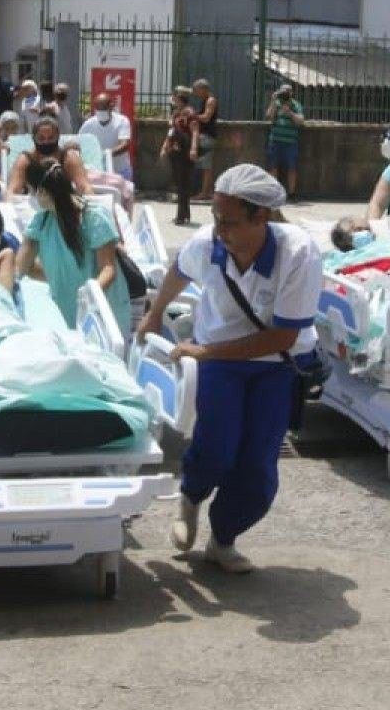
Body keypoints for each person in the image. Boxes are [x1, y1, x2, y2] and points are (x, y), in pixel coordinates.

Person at [134, 165, 323, 572]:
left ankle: (223, 538)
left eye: (229, 221)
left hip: (275, 364)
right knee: (217, 446)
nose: (219, 229)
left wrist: (205, 353)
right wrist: (155, 313)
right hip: (220, 361)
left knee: (257, 465)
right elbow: (179, 272)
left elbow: (281, 339)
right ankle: (190, 497)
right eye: (215, 218)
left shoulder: (297, 254)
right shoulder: (208, 243)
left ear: (262, 217)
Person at [16, 157, 130, 335]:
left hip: (103, 309)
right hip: (67, 308)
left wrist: (89, 294)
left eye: (30, 190)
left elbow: (108, 269)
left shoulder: (94, 218)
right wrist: (59, 277)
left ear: (43, 192)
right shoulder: (41, 222)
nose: (30, 196)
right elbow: (22, 267)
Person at [7, 117, 91, 198]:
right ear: (33, 138)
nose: (46, 142)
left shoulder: (68, 157)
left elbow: (84, 186)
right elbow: (13, 190)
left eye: (50, 138)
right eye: (41, 138)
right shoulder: (26, 159)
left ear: (58, 137)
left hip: (64, 205)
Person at [164, 87, 201, 227]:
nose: (172, 100)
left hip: (185, 151)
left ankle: (181, 215)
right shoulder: (175, 113)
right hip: (175, 151)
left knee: (183, 183)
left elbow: (195, 132)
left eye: (174, 97)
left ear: (179, 99)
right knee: (179, 183)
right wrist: (165, 146)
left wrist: (193, 149)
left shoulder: (190, 113)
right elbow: (171, 132)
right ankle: (184, 213)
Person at [81, 92, 135, 183]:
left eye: (103, 108)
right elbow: (79, 143)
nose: (100, 111)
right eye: (98, 108)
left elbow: (125, 145)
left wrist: (106, 154)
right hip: (98, 173)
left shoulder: (122, 121)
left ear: (111, 107)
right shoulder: (88, 124)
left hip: (121, 171)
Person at [264, 84, 304, 198]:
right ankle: (274, 192)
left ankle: (291, 193)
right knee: (273, 167)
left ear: (291, 93)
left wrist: (290, 113)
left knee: (292, 168)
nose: (285, 94)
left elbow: (300, 121)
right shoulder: (276, 104)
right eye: (283, 92)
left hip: (291, 142)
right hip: (275, 141)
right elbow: (269, 117)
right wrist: (272, 101)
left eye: (287, 92)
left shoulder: (296, 105)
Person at [191, 77, 221, 201]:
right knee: (203, 165)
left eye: (197, 90)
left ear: (203, 89)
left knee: (206, 166)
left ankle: (205, 192)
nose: (195, 93)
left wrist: (193, 116)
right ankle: (204, 191)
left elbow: (207, 117)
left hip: (207, 136)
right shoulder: (204, 101)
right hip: (203, 135)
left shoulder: (210, 101)